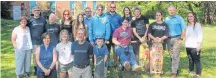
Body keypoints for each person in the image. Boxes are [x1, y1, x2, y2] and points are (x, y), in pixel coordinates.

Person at [164, 6, 186, 78]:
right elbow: (163, 29)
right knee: (171, 55)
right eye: (170, 10)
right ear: (168, 11)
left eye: (173, 10)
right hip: (168, 39)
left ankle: (174, 73)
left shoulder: (179, 18)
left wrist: (181, 39)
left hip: (177, 38)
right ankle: (176, 69)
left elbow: (183, 29)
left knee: (175, 55)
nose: (171, 11)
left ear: (175, 10)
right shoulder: (166, 19)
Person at [27, 6, 47, 75]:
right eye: (35, 10)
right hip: (34, 42)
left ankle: (42, 68)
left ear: (40, 11)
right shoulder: (30, 20)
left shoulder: (43, 20)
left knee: (43, 56)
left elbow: (46, 30)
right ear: (33, 12)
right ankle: (36, 70)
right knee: (35, 56)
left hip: (42, 41)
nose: (37, 11)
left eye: (38, 10)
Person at [185, 12, 203, 78]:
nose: (189, 18)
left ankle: (198, 73)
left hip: (195, 46)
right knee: (190, 59)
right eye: (188, 16)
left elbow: (200, 35)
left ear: (194, 17)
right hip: (188, 45)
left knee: (196, 60)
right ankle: (191, 69)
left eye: (191, 16)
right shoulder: (187, 25)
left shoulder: (197, 25)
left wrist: (198, 44)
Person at [105, 3, 122, 67]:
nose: (112, 8)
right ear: (109, 7)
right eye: (111, 7)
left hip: (116, 37)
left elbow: (121, 26)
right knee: (107, 51)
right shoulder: (105, 15)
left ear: (115, 8)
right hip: (108, 36)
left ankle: (115, 64)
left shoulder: (118, 16)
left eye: (114, 7)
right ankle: (107, 64)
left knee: (115, 51)